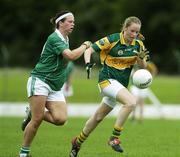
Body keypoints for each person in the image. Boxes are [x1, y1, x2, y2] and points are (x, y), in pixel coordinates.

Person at [69, 16, 149, 157]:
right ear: (125, 28)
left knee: (98, 117)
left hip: (120, 85)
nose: (134, 35)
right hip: (107, 81)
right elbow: (89, 50)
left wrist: (141, 59)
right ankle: (114, 138)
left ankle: (77, 142)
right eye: (131, 31)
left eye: (137, 32)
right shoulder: (112, 39)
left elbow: (143, 68)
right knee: (131, 102)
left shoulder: (138, 45)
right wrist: (88, 63)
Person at [19, 10, 91, 157]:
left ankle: (32, 112)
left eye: (74, 22)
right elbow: (70, 56)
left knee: (60, 119)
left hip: (55, 86)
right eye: (70, 21)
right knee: (37, 119)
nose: (73, 24)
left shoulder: (65, 38)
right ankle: (24, 153)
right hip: (40, 81)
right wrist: (85, 45)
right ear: (60, 23)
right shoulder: (54, 38)